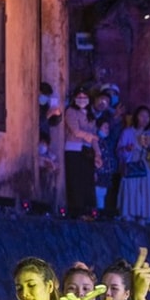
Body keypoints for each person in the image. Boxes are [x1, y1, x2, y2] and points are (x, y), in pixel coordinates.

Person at [116, 106, 150, 224]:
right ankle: (129, 215)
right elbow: (119, 152)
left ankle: (143, 216)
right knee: (131, 189)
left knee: (145, 188)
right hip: (131, 166)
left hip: (145, 167)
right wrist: (127, 149)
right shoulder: (127, 132)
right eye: (142, 116)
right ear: (136, 117)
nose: (144, 119)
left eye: (147, 116)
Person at [61, 89, 99, 219]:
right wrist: (90, 136)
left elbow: (95, 138)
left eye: (85, 97)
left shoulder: (91, 115)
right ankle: (76, 212)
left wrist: (98, 155)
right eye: (79, 97)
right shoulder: (70, 112)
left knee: (87, 182)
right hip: (74, 150)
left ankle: (89, 212)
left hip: (87, 152)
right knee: (76, 181)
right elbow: (76, 131)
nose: (82, 99)